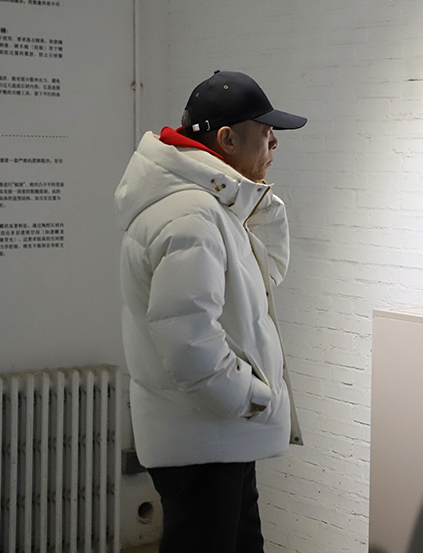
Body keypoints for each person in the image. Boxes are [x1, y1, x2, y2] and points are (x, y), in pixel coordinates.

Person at [114, 69, 307, 552]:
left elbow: (263, 276)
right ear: (226, 139)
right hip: (204, 437)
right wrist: (252, 398)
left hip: (214, 432)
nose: (274, 143)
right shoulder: (192, 218)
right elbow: (189, 343)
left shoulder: (209, 209)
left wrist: (255, 202)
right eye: (266, 132)